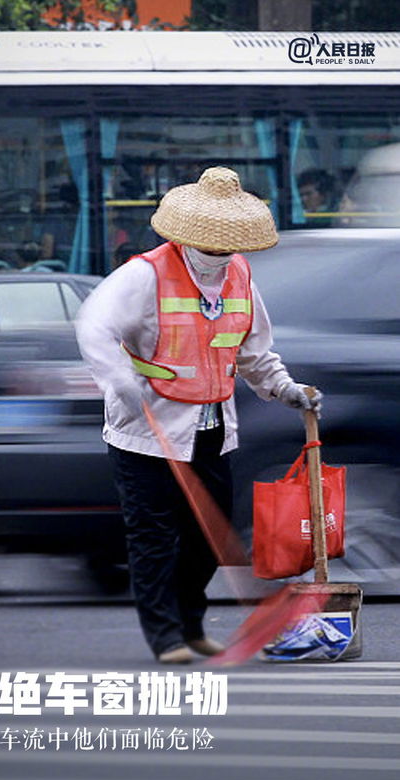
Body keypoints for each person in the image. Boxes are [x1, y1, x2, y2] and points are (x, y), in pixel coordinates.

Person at [76, 166, 322, 665]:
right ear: (187, 236)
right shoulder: (144, 275)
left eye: (228, 247)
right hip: (146, 433)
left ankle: (191, 624)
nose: (220, 255)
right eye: (211, 246)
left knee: (207, 540)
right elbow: (94, 326)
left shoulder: (240, 277)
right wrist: (120, 382)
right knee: (153, 539)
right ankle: (166, 637)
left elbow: (253, 350)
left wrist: (284, 388)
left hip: (212, 429)